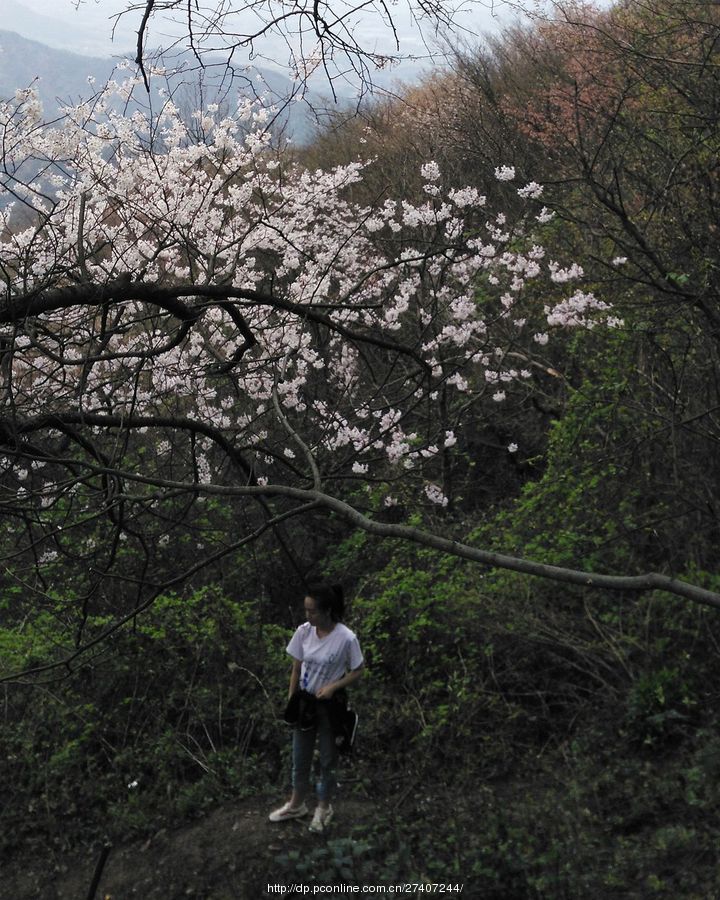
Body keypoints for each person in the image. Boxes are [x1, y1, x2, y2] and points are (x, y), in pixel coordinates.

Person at [269, 583, 364, 833]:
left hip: (330, 707)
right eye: (306, 610)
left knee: (327, 759)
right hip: (305, 704)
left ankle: (324, 807)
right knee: (299, 758)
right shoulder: (303, 632)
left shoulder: (346, 638)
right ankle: (296, 803)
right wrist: (292, 699)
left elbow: (358, 670)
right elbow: (296, 667)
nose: (307, 616)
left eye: (312, 611)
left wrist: (334, 686)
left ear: (328, 611)